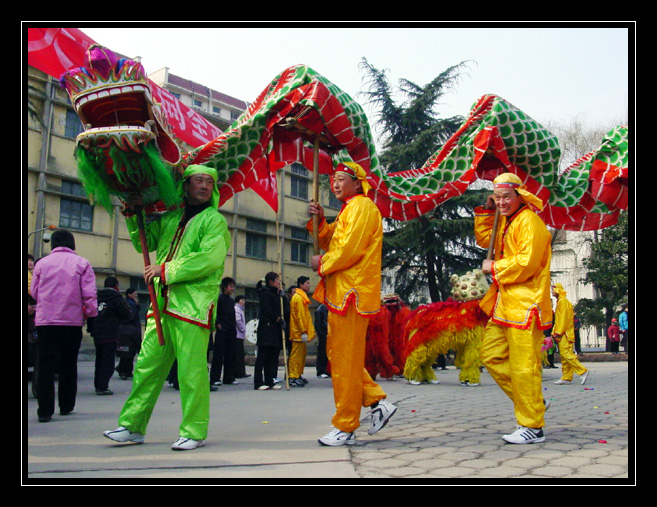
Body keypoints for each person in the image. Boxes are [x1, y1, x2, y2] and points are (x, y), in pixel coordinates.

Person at [103, 164, 231, 451]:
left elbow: (209, 258)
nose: (204, 186)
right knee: (146, 368)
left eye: (209, 182)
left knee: (191, 372)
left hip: (193, 307)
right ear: (185, 185)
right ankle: (132, 426)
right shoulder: (171, 217)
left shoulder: (215, 221)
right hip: (161, 306)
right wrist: (134, 213)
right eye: (198, 181)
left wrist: (167, 269)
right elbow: (142, 242)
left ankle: (194, 431)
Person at [308, 162, 396, 446]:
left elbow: (348, 249)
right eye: (333, 179)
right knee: (340, 357)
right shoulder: (351, 209)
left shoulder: (361, 207)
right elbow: (332, 240)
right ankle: (375, 401)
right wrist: (320, 221)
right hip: (344, 292)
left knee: (344, 360)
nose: (335, 184)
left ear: (358, 183)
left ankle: (345, 426)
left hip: (351, 293)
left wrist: (322, 265)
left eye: (341, 179)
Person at [475, 173, 553, 444]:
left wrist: (494, 267)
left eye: (506, 197)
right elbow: (485, 239)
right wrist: (486, 210)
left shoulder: (529, 221)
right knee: (491, 355)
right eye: (496, 198)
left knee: (524, 368)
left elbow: (527, 262)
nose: (501, 202)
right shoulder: (507, 221)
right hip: (505, 303)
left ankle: (532, 426)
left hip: (525, 304)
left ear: (520, 195)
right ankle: (533, 401)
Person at [31, 229, 98, 422]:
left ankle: (44, 411)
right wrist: (91, 316)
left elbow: (35, 292)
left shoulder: (41, 264)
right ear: (72, 244)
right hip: (71, 322)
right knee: (69, 363)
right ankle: (66, 405)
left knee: (45, 364)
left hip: (45, 322)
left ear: (52, 244)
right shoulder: (82, 264)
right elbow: (89, 295)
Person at [90, 276, 133, 395]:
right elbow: (126, 312)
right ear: (116, 286)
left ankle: (97, 384)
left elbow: (90, 311)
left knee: (99, 359)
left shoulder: (96, 296)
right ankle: (103, 386)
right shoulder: (116, 297)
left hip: (97, 332)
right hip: (110, 332)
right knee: (108, 360)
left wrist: (91, 327)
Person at [551, 283, 589, 385]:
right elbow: (558, 319)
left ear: (558, 290)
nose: (551, 291)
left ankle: (582, 371)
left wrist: (558, 332)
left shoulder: (563, 302)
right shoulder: (560, 301)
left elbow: (564, 319)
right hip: (562, 332)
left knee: (566, 353)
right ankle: (566, 377)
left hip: (565, 333)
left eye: (552, 289)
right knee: (563, 356)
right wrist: (554, 331)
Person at [254, 272, 284, 390]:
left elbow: (281, 308)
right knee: (263, 356)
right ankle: (258, 382)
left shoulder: (276, 294)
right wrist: (278, 319)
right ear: (271, 282)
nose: (278, 283)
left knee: (272, 357)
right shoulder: (265, 293)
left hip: (275, 329)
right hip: (266, 328)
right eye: (277, 280)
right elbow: (268, 310)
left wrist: (282, 297)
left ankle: (269, 380)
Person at [210, 277, 238, 386]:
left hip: (231, 329)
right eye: (230, 286)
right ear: (224, 287)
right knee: (218, 355)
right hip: (222, 329)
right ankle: (215, 378)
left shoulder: (231, 301)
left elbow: (232, 316)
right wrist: (218, 324)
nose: (232, 289)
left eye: (233, 287)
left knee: (230, 354)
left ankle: (228, 377)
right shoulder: (219, 299)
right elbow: (215, 313)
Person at [288, 276, 316, 387]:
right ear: (301, 284)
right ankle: (292, 376)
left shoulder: (301, 297)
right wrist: (303, 330)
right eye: (307, 283)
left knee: (301, 355)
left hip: (300, 332)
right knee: (296, 356)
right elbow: (299, 316)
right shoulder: (298, 297)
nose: (309, 285)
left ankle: (297, 374)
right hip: (298, 332)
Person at [116, 288, 142, 379]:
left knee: (126, 351)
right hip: (130, 331)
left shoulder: (127, 303)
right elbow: (131, 316)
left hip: (124, 330)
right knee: (128, 352)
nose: (136, 296)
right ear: (129, 294)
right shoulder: (130, 304)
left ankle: (124, 370)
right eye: (135, 294)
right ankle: (124, 371)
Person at [233, 295, 249, 378]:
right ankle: (238, 372)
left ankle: (241, 372)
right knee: (238, 355)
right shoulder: (236, 309)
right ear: (238, 301)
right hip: (237, 335)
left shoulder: (240, 309)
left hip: (239, 335)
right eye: (242, 300)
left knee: (240, 355)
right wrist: (243, 329)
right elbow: (238, 320)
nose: (244, 301)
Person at [314, 303, 330, 378]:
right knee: (322, 352)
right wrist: (321, 334)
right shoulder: (321, 309)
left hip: (328, 333)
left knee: (327, 353)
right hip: (324, 334)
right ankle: (321, 370)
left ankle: (326, 369)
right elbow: (318, 324)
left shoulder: (327, 308)